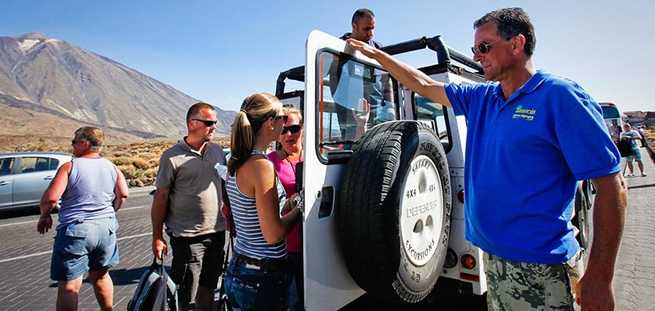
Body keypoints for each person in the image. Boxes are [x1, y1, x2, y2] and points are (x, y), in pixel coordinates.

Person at [347, 7, 626, 311]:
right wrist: (377, 56)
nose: (478, 56)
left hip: (542, 268)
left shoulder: (559, 97)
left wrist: (599, 278)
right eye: (474, 49)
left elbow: (612, 187)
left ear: (517, 44)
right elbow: (423, 84)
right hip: (493, 260)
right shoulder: (483, 98)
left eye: (484, 47)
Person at [224, 93, 302, 311]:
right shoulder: (262, 165)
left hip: (243, 268)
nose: (284, 124)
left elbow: (252, 213)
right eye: (282, 118)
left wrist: (286, 206)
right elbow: (273, 234)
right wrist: (301, 209)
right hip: (261, 278)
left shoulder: (237, 159)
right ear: (270, 123)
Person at [38, 126, 128, 311]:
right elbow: (123, 194)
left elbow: (52, 198)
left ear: (84, 143)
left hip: (76, 229)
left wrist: (44, 215)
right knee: (101, 276)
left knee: (69, 286)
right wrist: (110, 212)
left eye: (74, 141)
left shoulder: (70, 167)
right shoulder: (111, 166)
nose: (72, 145)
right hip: (106, 229)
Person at [151, 102, 227, 311]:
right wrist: (157, 236)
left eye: (215, 123)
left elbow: (224, 186)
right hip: (187, 237)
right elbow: (161, 197)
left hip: (217, 232)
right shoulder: (171, 156)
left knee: (209, 287)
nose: (214, 127)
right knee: (184, 293)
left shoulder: (217, 151)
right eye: (209, 122)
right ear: (192, 123)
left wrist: (232, 220)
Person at [268, 107, 304, 310]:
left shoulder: (316, 157)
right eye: (283, 130)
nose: (289, 134)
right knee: (289, 301)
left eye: (294, 128)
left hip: (315, 240)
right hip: (286, 244)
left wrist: (360, 124)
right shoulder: (269, 162)